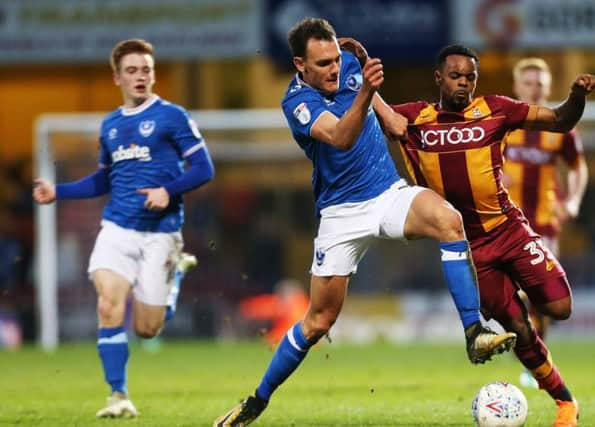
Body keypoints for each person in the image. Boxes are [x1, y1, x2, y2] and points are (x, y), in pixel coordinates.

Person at [213, 18, 515, 427]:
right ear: (300, 64)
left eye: (337, 59)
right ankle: (257, 401)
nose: (335, 69)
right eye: (323, 64)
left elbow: (388, 121)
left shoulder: (350, 65)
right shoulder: (296, 102)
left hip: (387, 193)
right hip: (341, 215)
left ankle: (473, 332)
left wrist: (391, 113)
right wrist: (367, 90)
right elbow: (340, 136)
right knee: (318, 321)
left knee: (449, 220)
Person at [374, 44, 595, 427]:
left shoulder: (496, 109)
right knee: (519, 328)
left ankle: (525, 306)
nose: (463, 84)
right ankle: (565, 402)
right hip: (469, 250)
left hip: (510, 230)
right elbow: (375, 114)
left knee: (561, 308)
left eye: (470, 77)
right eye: (456, 76)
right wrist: (365, 81)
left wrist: (576, 96)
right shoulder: (413, 118)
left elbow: (561, 120)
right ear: (439, 78)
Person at [32, 38, 214, 418]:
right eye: (131, 70)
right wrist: (58, 192)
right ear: (117, 77)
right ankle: (118, 395)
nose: (140, 76)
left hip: (162, 233)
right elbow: (104, 180)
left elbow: (204, 169)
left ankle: (175, 271)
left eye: (146, 69)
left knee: (148, 329)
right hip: (117, 228)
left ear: (153, 74)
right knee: (107, 303)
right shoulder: (111, 125)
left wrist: (168, 189)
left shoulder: (172, 116)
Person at [502, 58, 589, 388]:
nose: (534, 88)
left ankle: (534, 358)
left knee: (538, 297)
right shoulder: (505, 124)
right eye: (528, 83)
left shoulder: (560, 127)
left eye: (540, 83)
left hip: (544, 225)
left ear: (549, 88)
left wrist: (574, 200)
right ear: (517, 87)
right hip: (505, 224)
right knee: (515, 296)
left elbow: (579, 167)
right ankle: (529, 353)